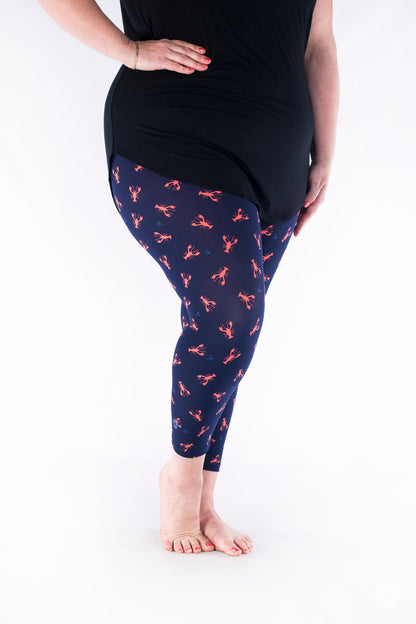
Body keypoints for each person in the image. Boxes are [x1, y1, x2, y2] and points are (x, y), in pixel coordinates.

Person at [37, 0, 339, 556]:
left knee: (231, 338)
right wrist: (129, 51)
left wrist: (325, 152)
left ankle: (204, 499)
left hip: (278, 159)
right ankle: (180, 477)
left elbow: (317, 43)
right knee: (231, 319)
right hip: (172, 138)